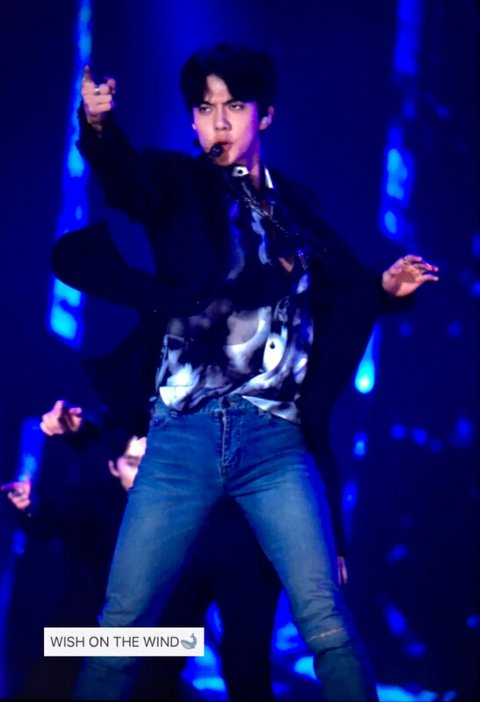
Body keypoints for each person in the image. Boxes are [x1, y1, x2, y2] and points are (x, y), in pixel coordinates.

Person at [51, 43, 439, 701]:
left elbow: (345, 293)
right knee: (121, 630)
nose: (220, 121)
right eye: (205, 109)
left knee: (328, 624)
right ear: (192, 121)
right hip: (183, 440)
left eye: (234, 105)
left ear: (266, 114)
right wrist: (97, 123)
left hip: (274, 444)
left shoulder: (298, 210)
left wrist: (386, 287)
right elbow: (126, 181)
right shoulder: (178, 184)